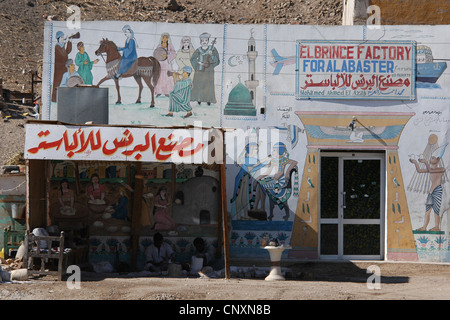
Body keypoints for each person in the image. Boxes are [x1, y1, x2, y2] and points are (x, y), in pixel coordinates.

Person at [410, 151, 446, 231]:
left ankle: (437, 227)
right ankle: (424, 227)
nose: (430, 159)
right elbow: (419, 170)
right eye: (430, 157)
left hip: (437, 190)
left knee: (436, 210)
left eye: (433, 158)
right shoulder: (430, 169)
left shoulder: (441, 169)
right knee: (427, 211)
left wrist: (425, 162)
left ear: (438, 160)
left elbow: (431, 170)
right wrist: (415, 162)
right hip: (431, 192)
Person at [190, 32, 220, 105]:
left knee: (208, 84)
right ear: (200, 42)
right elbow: (192, 59)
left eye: (206, 40)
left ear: (208, 41)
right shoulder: (198, 50)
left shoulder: (212, 49)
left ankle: (208, 99)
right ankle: (199, 99)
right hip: (200, 70)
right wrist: (199, 63)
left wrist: (212, 55)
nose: (204, 42)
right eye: (202, 41)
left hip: (209, 70)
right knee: (199, 84)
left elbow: (217, 59)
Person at [51, 31, 72, 102]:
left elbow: (68, 51)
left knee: (64, 83)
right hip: (59, 70)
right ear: (58, 38)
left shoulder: (61, 46)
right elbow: (64, 55)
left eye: (63, 37)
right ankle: (55, 99)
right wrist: (65, 43)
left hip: (63, 68)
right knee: (58, 84)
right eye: (62, 37)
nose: (63, 39)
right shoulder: (57, 46)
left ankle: (63, 99)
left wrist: (69, 42)